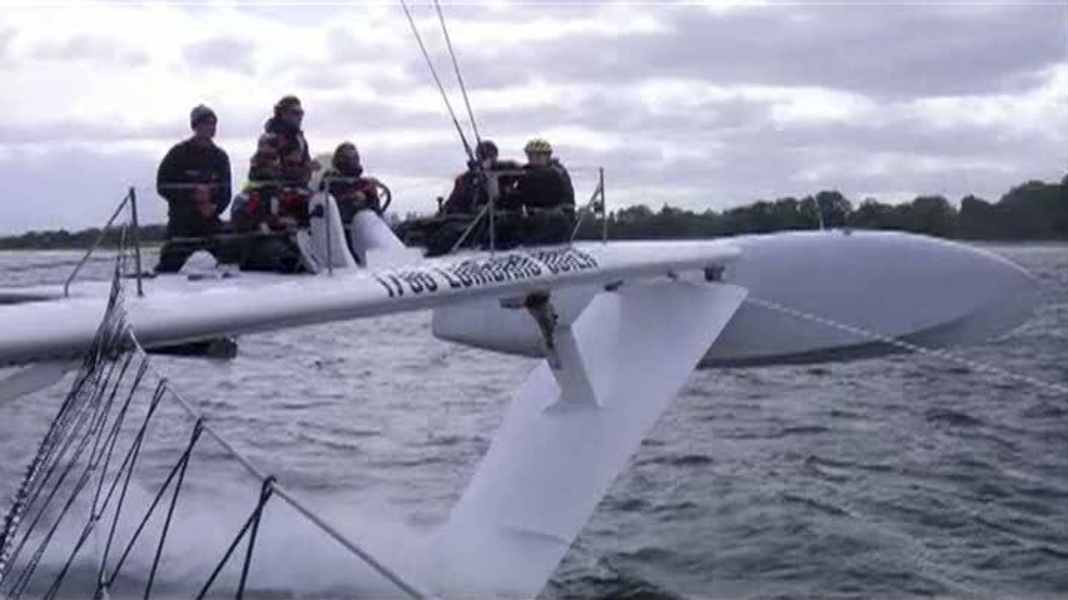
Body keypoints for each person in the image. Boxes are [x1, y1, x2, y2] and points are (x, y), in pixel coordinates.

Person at [154, 104, 233, 272]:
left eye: (213, 123)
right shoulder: (178, 153)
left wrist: (214, 207)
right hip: (182, 222)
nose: (211, 127)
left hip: (210, 221)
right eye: (206, 123)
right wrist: (192, 196)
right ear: (195, 126)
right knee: (168, 264)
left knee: (233, 253)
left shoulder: (220, 157)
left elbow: (226, 192)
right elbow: (162, 186)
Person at [229, 134, 304, 273]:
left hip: (280, 238)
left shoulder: (280, 192)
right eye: (267, 157)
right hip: (256, 244)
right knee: (284, 256)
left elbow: (290, 207)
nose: (271, 162)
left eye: (274, 157)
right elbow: (243, 220)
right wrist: (272, 222)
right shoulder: (249, 194)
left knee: (300, 249)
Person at [516, 138, 575, 245]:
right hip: (533, 216)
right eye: (530, 156)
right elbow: (518, 194)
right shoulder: (526, 172)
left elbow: (545, 180)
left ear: (547, 156)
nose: (534, 159)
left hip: (557, 216)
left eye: (538, 156)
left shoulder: (556, 172)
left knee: (548, 221)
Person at [264, 95, 318, 187]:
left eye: (301, 113)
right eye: (295, 113)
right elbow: (270, 172)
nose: (300, 117)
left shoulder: (300, 140)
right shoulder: (271, 138)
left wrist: (308, 167)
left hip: (298, 190)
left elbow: (305, 167)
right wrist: (306, 168)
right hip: (273, 193)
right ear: (283, 114)